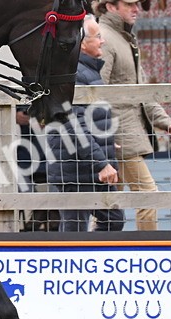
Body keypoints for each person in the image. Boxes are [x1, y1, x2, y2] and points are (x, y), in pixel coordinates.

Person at [96, 0, 171, 231]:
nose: (136, 9)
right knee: (147, 196)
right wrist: (105, 136)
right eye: (129, 4)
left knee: (109, 205)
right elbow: (96, 92)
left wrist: (162, 118)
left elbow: (138, 85)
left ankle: (99, 252)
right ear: (110, 6)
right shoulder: (105, 39)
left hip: (121, 133)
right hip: (120, 134)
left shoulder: (122, 37)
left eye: (137, 4)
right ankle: (148, 252)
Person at [47, 15, 122, 231]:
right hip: (76, 170)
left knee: (113, 220)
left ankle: (91, 261)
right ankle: (70, 263)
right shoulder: (73, 74)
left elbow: (88, 119)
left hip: (89, 165)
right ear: (81, 43)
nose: (103, 41)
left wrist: (105, 139)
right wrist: (101, 162)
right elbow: (72, 124)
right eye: (98, 36)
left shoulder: (88, 71)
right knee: (74, 233)